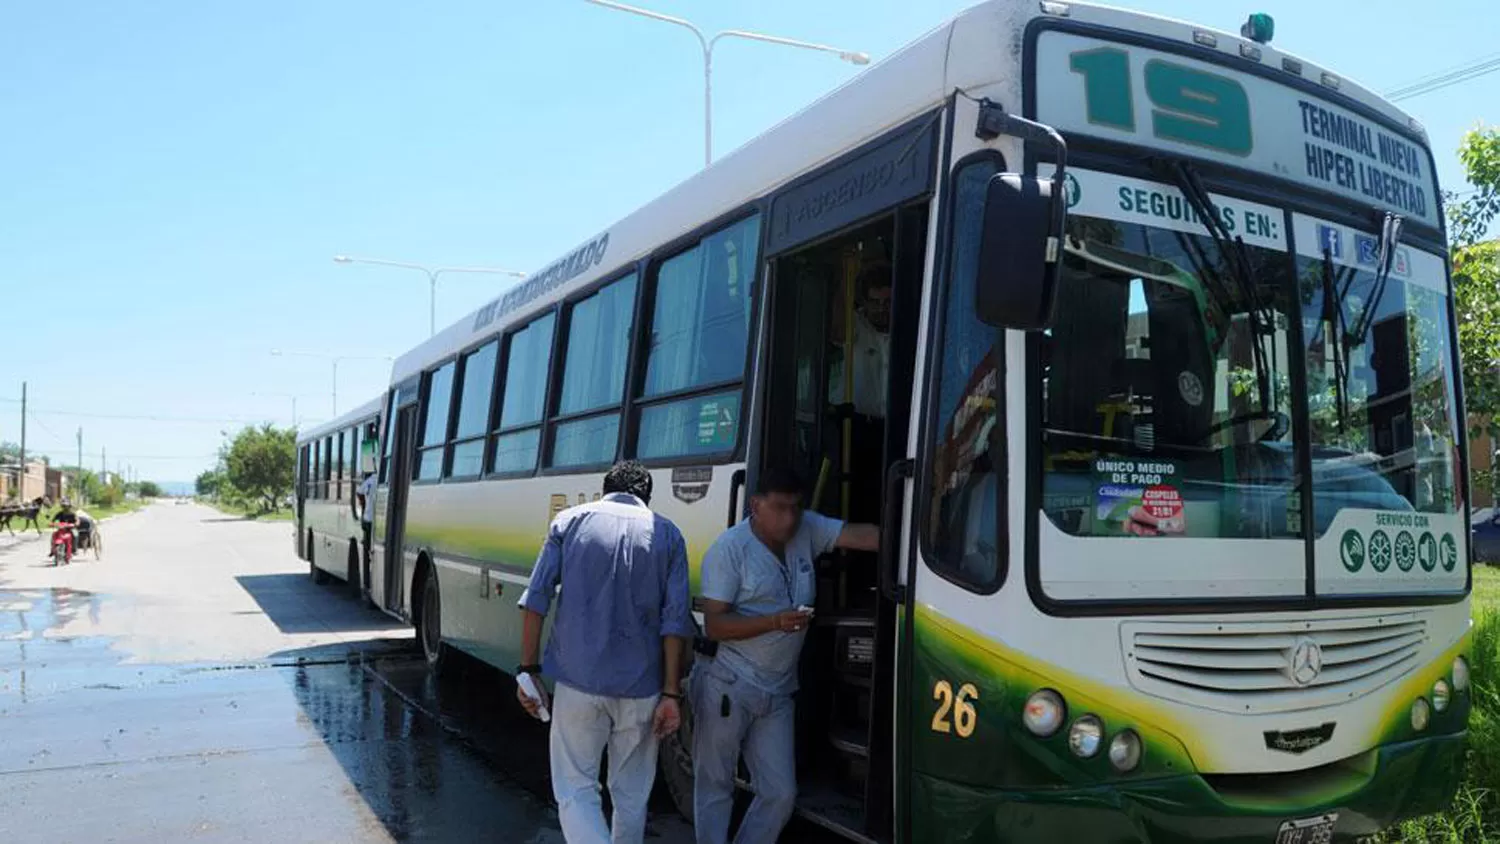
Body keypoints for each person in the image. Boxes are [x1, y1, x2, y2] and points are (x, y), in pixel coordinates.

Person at [692, 467, 880, 844]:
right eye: (780, 508)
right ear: (755, 505)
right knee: (715, 786)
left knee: (780, 794)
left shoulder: (806, 528)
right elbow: (715, 625)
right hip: (728, 683)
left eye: (796, 508)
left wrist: (925, 537)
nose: (790, 518)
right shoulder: (730, 550)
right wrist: (775, 621)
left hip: (777, 690)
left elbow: (860, 536)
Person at [515, 460, 692, 844]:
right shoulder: (669, 535)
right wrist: (671, 694)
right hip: (642, 689)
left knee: (576, 789)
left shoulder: (569, 522)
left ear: (605, 488)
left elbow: (536, 600)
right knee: (631, 796)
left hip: (578, 684)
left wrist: (527, 670)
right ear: (646, 496)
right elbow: (675, 622)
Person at [355, 471, 377, 594]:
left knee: (368, 552)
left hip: (368, 520)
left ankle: (367, 583)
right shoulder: (381, 479)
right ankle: (369, 582)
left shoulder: (369, 480)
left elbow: (359, 492)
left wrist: (364, 506)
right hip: (376, 521)